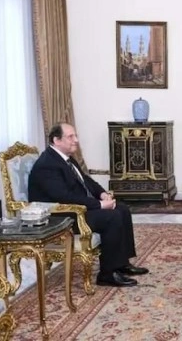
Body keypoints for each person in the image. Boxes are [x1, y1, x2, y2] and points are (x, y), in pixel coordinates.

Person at [28, 123, 149, 287]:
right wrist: (99, 205)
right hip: (60, 217)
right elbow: (64, 197)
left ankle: (121, 264)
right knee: (111, 217)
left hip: (74, 209)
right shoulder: (47, 165)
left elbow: (85, 180)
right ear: (56, 140)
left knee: (122, 209)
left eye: (75, 136)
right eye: (70, 137)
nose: (76, 140)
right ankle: (107, 274)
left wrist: (102, 194)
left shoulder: (65, 158)